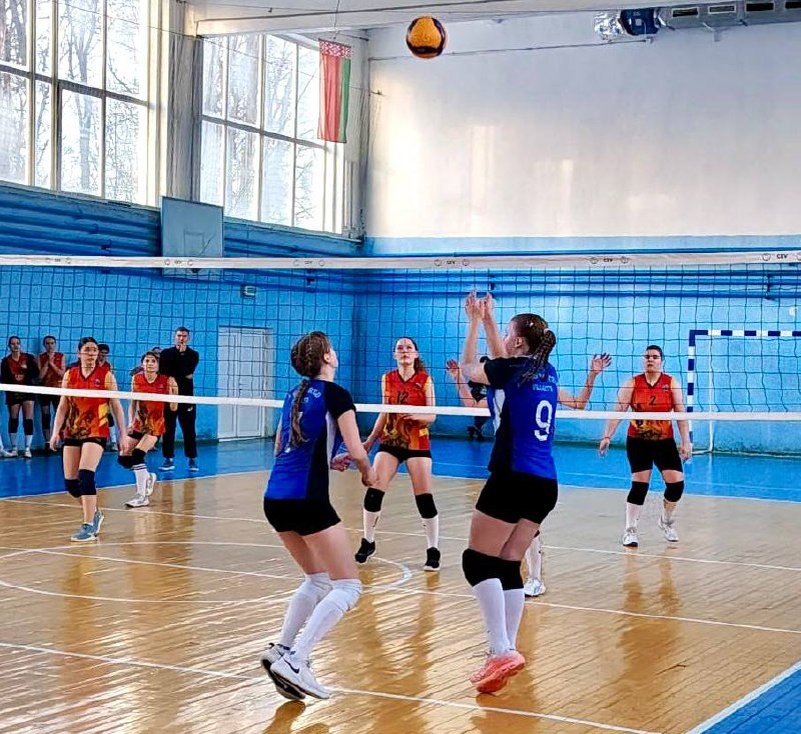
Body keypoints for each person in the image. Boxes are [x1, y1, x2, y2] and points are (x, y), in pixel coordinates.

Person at [458, 294, 610, 694]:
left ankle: (500, 649)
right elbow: (501, 361)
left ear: (520, 342)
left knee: (476, 562)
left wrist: (473, 322)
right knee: (509, 564)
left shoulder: (510, 370)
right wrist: (491, 320)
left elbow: (473, 368)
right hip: (545, 483)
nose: (505, 339)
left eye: (510, 333)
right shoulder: (546, 372)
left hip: (512, 476)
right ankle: (503, 652)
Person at [260, 331, 379, 701]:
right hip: (307, 499)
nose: (336, 353)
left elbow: (282, 447)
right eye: (333, 349)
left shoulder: (293, 394)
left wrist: (328, 460)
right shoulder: (336, 394)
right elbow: (357, 449)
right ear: (327, 357)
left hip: (275, 497)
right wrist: (367, 473)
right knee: (348, 586)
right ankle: (297, 660)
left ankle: (281, 649)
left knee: (316, 579)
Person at [354, 337, 440, 571]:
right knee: (374, 491)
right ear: (394, 354)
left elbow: (432, 416)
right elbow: (384, 412)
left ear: (416, 354)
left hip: (417, 442)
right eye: (400, 348)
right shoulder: (387, 378)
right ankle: (368, 541)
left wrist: (416, 416)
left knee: (424, 498)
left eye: (408, 348)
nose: (404, 351)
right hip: (391, 441)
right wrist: (370, 440)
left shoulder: (425, 380)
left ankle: (433, 550)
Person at [599, 345, 692, 548]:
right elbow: (618, 411)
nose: (650, 359)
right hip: (638, 441)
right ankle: (630, 530)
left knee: (676, 484)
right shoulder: (632, 383)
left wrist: (686, 441)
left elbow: (681, 415)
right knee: (640, 485)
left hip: (664, 441)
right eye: (647, 356)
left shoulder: (671, 383)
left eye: (655, 357)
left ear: (661, 361)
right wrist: (607, 436)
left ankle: (665, 521)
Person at [50, 337, 129, 542]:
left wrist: (123, 434)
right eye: (87, 350)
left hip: (97, 431)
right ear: (79, 353)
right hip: (73, 431)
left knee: (85, 475)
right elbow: (63, 406)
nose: (92, 353)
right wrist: (55, 432)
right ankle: (94, 513)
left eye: (94, 350)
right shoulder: (70, 374)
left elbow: (116, 406)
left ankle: (88, 526)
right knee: (71, 484)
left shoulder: (107, 376)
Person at [120, 351, 178, 508]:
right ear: (142, 364)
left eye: (153, 361)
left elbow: (173, 408)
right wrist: (130, 422)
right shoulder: (136, 379)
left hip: (156, 424)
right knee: (123, 457)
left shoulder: (166, 380)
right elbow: (133, 403)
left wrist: (174, 391)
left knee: (138, 455)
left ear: (158, 365)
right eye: (147, 360)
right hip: (139, 423)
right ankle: (148, 476)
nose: (150, 363)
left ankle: (142, 496)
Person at [158, 327, 200, 472]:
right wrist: (180, 372)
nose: (181, 338)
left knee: (189, 429)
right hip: (169, 395)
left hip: (187, 397)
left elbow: (188, 372)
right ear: (174, 336)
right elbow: (164, 372)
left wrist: (178, 365)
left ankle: (192, 459)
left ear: (188, 338)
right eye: (179, 335)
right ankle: (168, 459)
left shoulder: (193, 355)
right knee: (168, 428)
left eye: (184, 336)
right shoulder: (166, 353)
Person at [1, 336, 39, 458]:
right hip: (13, 392)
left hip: (27, 391)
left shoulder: (28, 358)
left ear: (20, 344)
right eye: (13, 344)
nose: (15, 345)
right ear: (9, 346)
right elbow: (4, 378)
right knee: (13, 419)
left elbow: (36, 373)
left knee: (28, 419)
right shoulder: (5, 361)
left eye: (17, 343)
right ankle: (14, 448)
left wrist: (27, 369)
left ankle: (27, 449)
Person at [37, 335, 66, 449]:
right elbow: (40, 377)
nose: (50, 346)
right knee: (46, 415)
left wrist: (52, 364)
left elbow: (62, 374)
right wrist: (47, 362)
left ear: (55, 344)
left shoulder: (61, 356)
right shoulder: (40, 357)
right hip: (44, 389)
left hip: (57, 389)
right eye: (48, 343)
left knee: (60, 415)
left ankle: (62, 441)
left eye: (52, 343)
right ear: (44, 345)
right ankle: (48, 442)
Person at [96, 344, 119, 451]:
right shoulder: (92, 364)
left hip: (105, 394)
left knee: (108, 416)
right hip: (93, 394)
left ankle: (113, 441)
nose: (103, 355)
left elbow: (111, 380)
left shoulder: (108, 365)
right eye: (102, 353)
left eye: (105, 353)